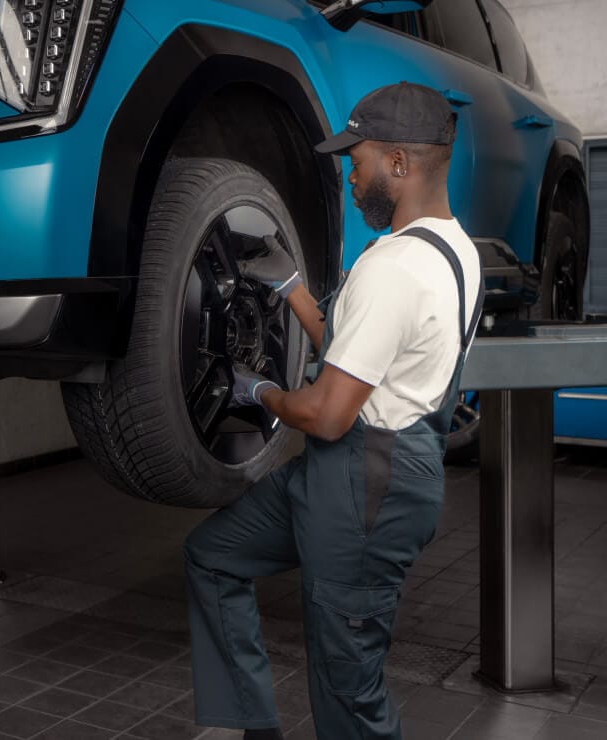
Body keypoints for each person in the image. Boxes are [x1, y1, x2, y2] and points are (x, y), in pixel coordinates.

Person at [183, 81, 484, 740]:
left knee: (348, 692)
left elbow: (327, 414)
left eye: (359, 160)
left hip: (367, 491)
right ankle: (251, 726)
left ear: (399, 163)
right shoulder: (458, 252)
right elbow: (363, 359)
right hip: (355, 473)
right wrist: (294, 291)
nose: (350, 176)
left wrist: (256, 392)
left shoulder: (395, 268)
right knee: (213, 555)